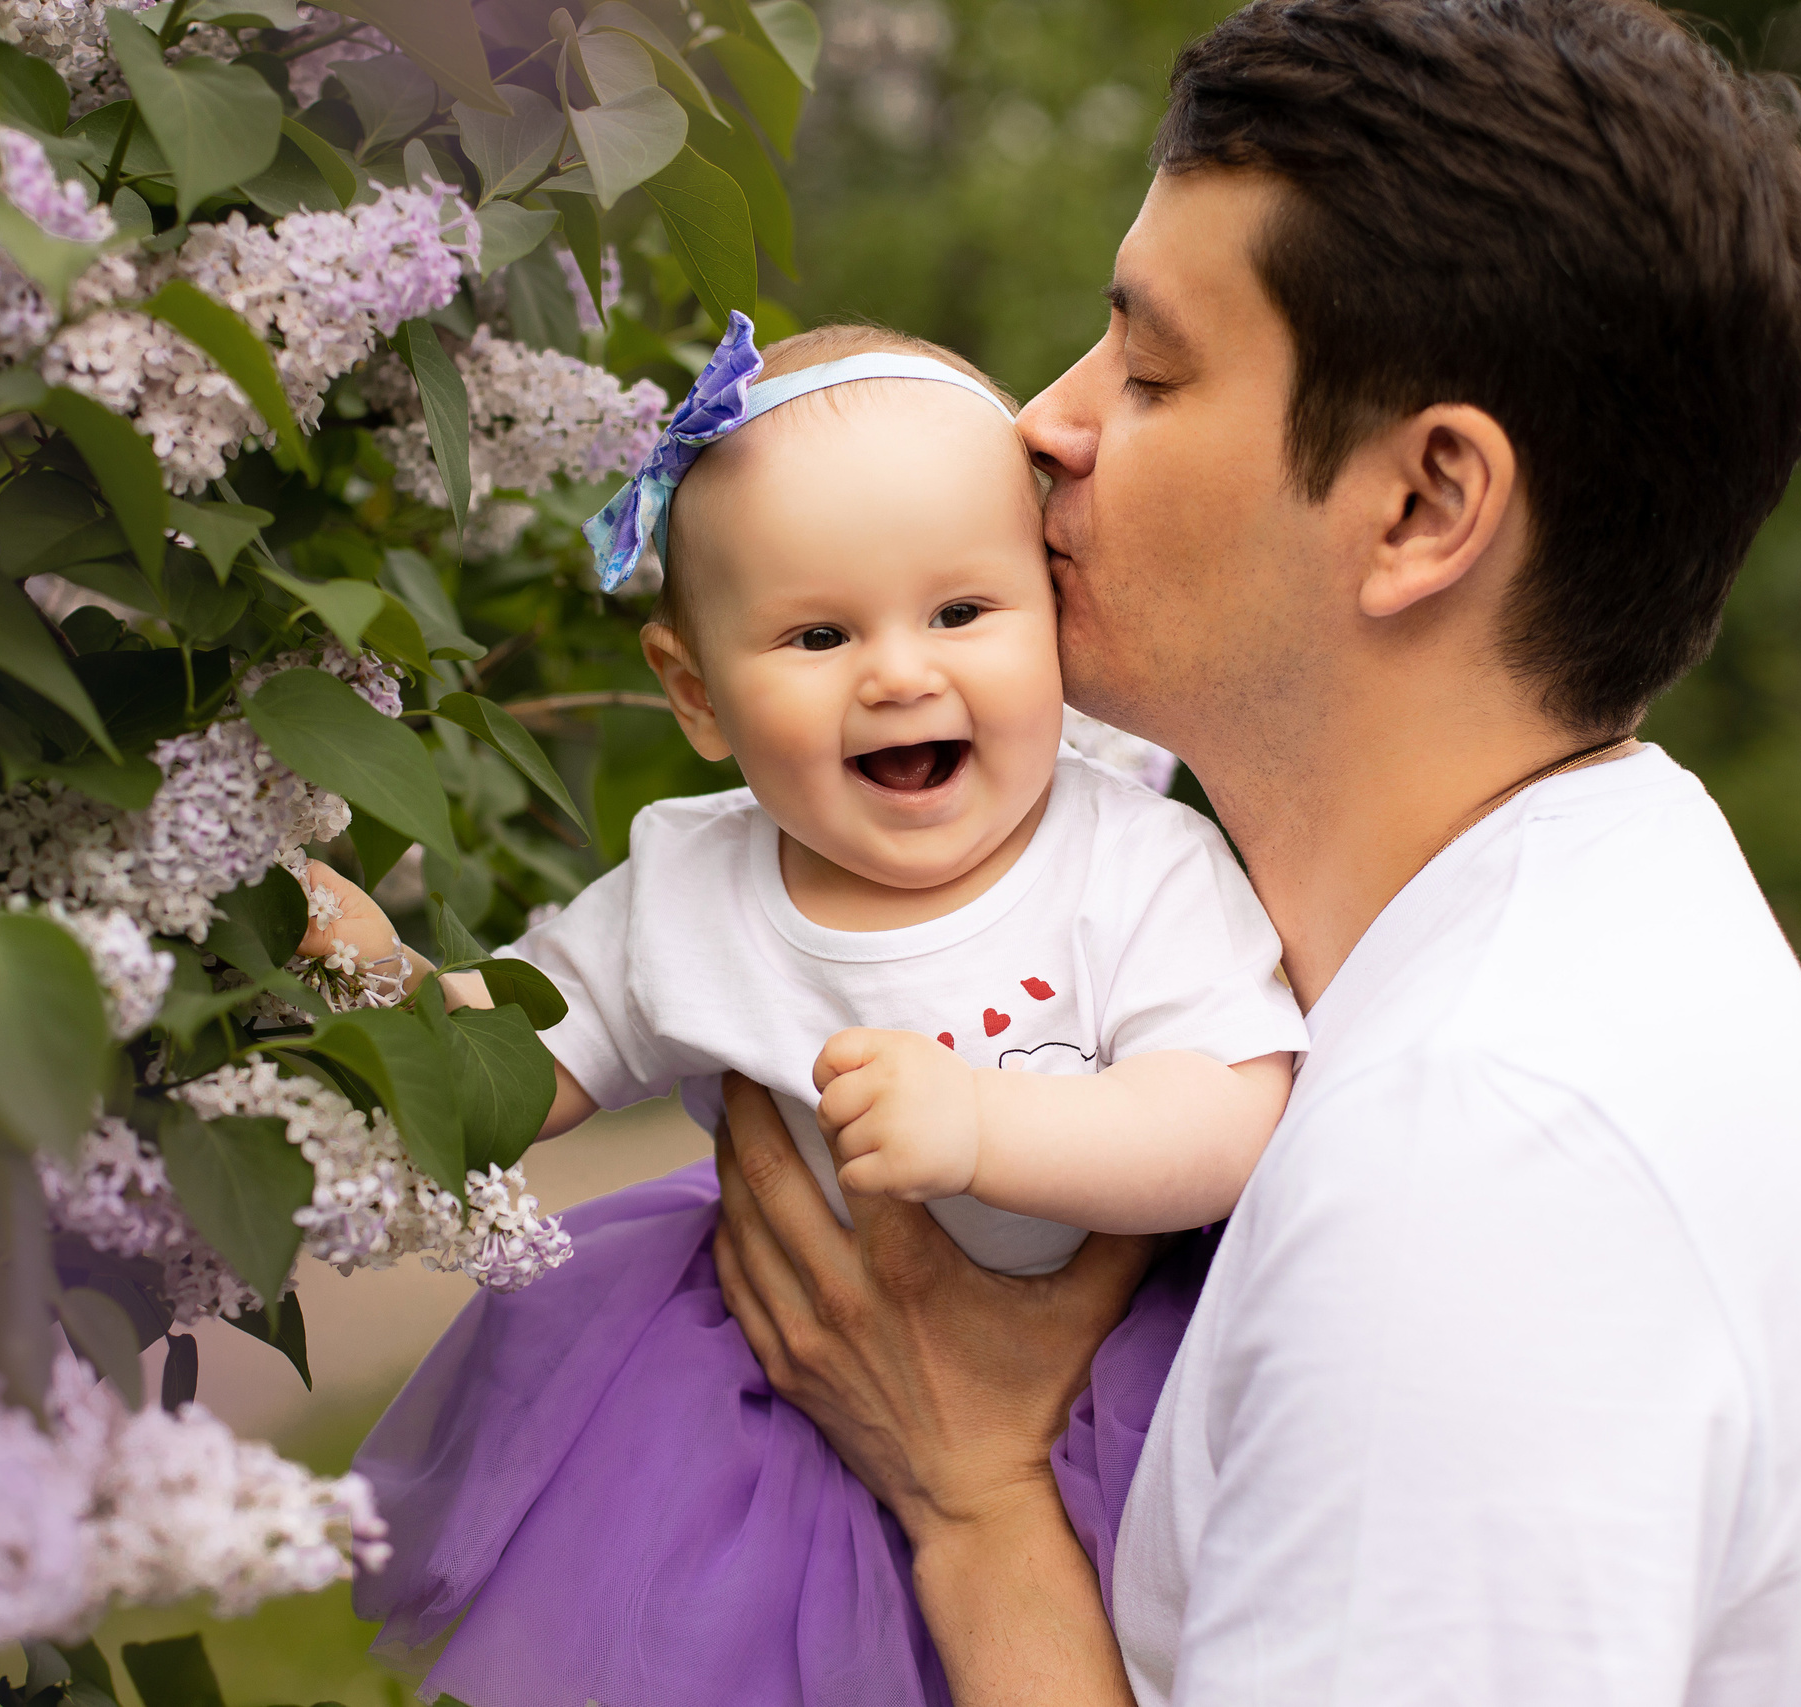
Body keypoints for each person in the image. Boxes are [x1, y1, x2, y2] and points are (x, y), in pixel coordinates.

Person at [707, 3, 1801, 1704]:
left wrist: (973, 1502)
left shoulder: (1479, 1182)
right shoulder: (1596, 906)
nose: (1042, 427)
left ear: (1425, 509)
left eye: (1148, 371)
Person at [309, 317, 1308, 1705]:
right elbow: (517, 1062)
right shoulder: (690, 884)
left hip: (1087, 1403)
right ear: (694, 689)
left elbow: (1233, 1111)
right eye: (818, 633)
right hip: (753, 1431)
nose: (900, 673)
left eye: (962, 612)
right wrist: (380, 984)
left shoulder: (1132, 860)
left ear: (1054, 618)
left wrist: (984, 1122)